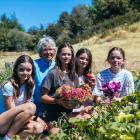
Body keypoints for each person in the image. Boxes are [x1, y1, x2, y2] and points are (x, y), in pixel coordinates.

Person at [0, 55, 47, 140]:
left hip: (16, 122)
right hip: (3, 122)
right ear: (16, 70)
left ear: (32, 71)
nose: (25, 72)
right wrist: (35, 118)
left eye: (28, 70)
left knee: (38, 128)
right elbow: (12, 111)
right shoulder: (8, 86)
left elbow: (26, 113)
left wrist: (35, 118)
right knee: (31, 106)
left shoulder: (30, 86)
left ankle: (9, 137)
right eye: (21, 69)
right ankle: (8, 137)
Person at [40, 43, 78, 134]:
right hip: (53, 115)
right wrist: (57, 101)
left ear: (72, 56)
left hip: (69, 114)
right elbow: (43, 97)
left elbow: (76, 97)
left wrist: (77, 101)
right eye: (63, 54)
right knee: (57, 136)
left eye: (69, 54)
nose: (66, 57)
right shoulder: (52, 73)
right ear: (58, 56)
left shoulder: (74, 76)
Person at [33, 36, 57, 117]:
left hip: (53, 105)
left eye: (50, 49)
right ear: (40, 52)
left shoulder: (57, 65)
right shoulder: (33, 65)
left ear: (54, 51)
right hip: (36, 107)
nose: (48, 52)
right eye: (45, 49)